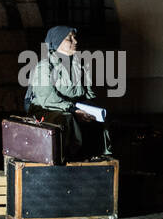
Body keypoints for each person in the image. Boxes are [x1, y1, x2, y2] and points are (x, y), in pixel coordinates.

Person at [25, 25, 109, 159]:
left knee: (97, 121)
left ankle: (98, 159)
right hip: (46, 109)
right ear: (57, 42)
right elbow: (47, 98)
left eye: (74, 37)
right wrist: (73, 110)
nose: (75, 41)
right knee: (66, 119)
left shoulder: (78, 66)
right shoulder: (45, 67)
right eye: (69, 38)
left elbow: (87, 93)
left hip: (73, 108)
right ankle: (69, 160)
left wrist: (89, 109)